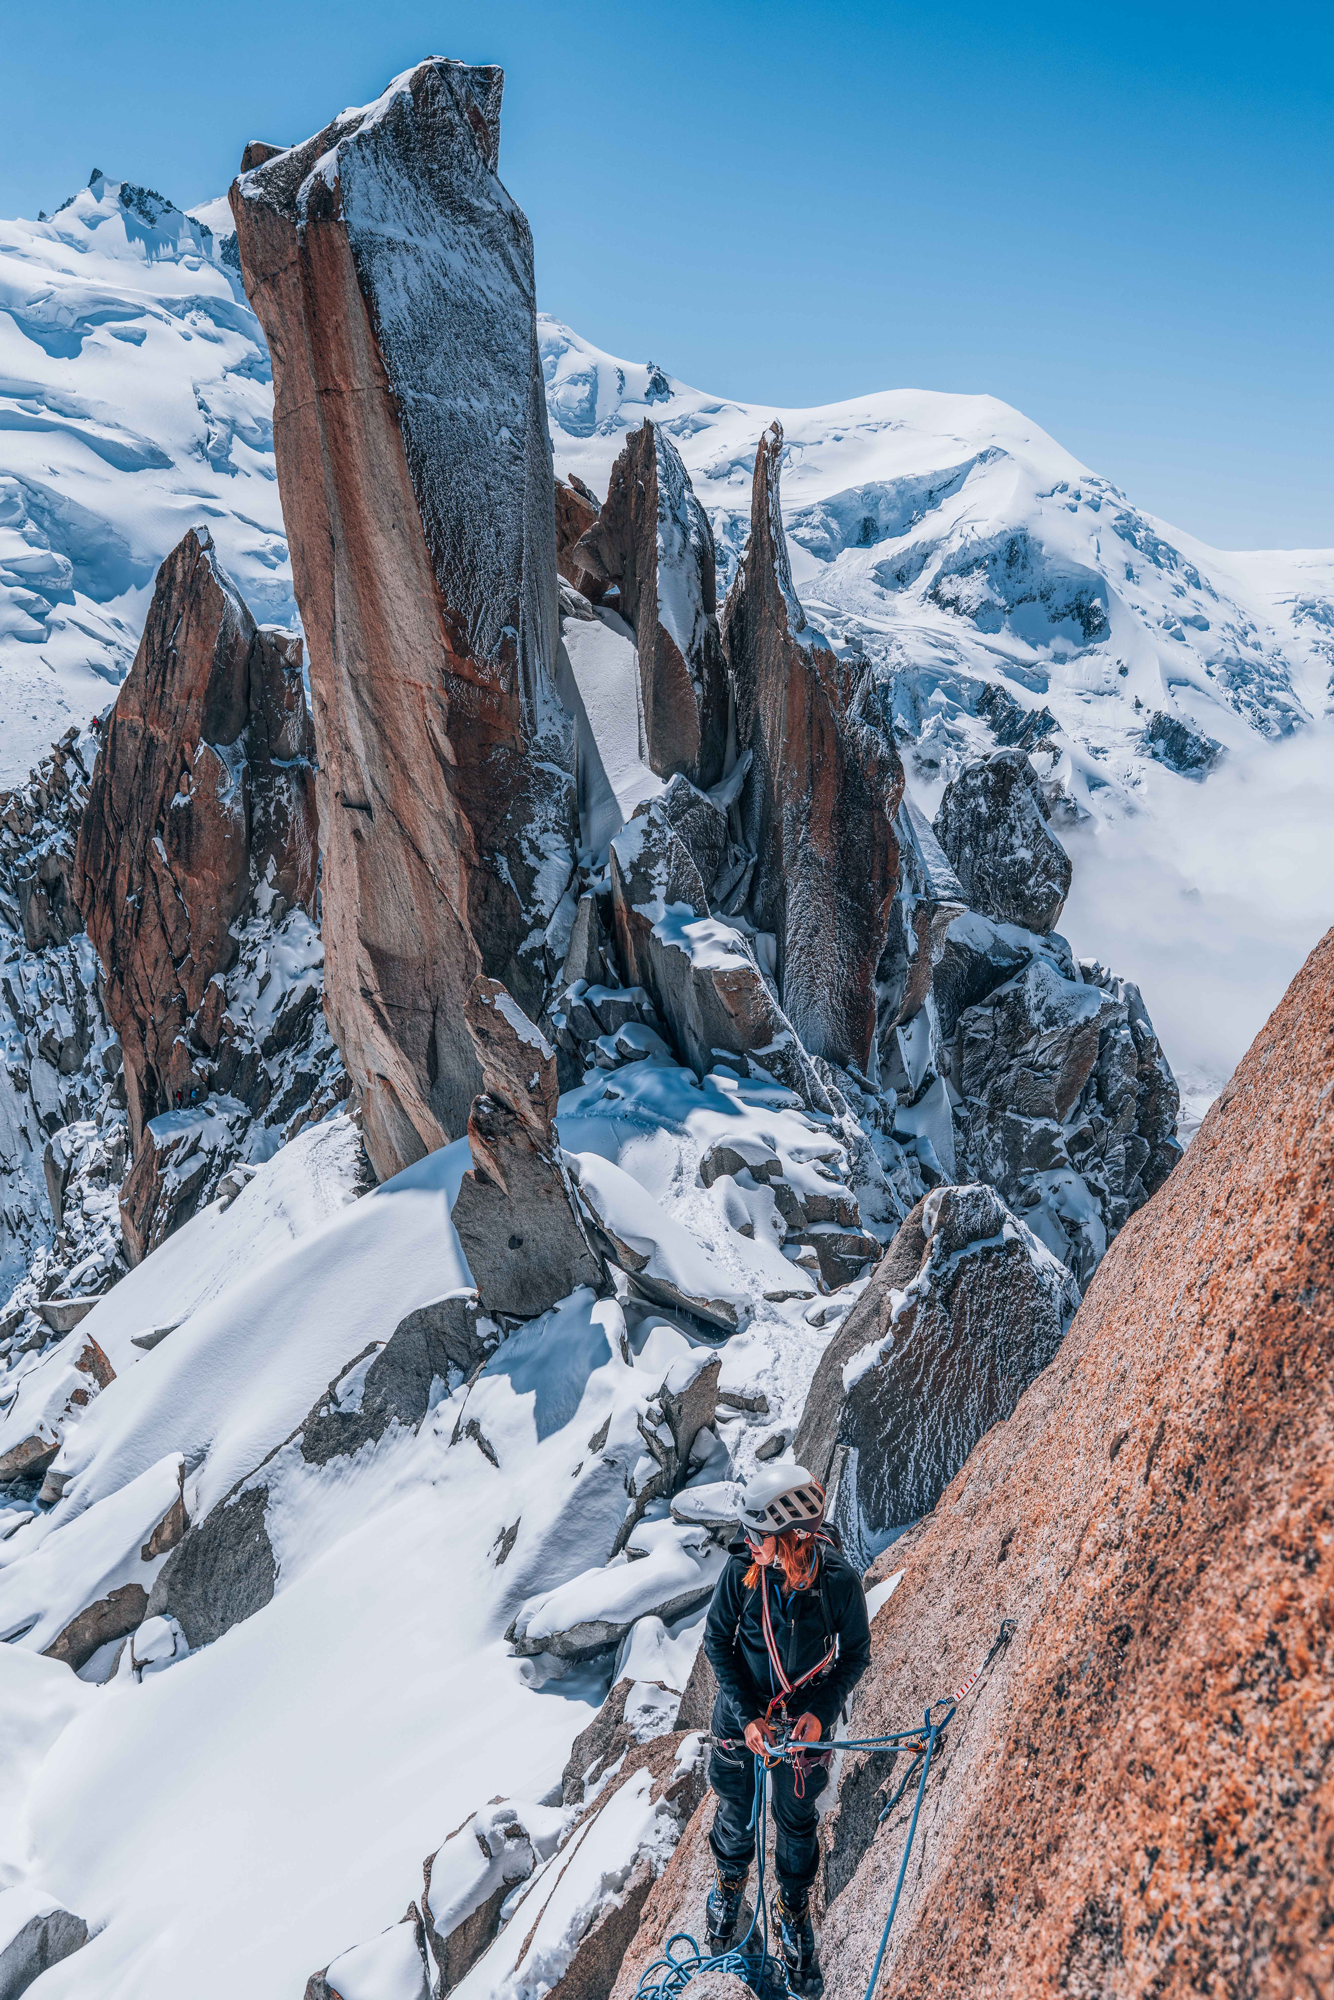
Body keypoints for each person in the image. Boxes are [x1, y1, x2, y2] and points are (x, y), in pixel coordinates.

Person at [701, 1464, 871, 1996]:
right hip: (743, 1717)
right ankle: (731, 1882)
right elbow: (717, 1643)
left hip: (801, 1729)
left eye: (759, 1535)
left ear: (792, 1537)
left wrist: (820, 1711)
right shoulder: (743, 1573)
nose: (748, 1542)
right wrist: (748, 1715)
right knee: (735, 1807)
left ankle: (792, 1911)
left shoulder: (837, 1583)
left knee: (795, 1823)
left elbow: (855, 1654)